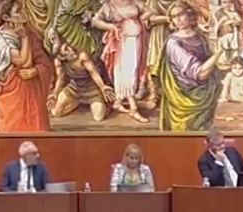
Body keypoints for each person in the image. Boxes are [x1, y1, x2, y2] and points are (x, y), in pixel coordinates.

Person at [0, 0, 54, 132]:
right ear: (6, 17)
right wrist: (24, 38)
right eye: (18, 11)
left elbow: (43, 61)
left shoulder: (30, 34)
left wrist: (35, 70)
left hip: (32, 88)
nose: (23, 13)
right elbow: (23, 62)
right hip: (11, 89)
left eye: (22, 9)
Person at [159, 1, 223, 131]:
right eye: (174, 17)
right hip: (185, 96)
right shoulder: (173, 43)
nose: (178, 20)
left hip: (205, 93)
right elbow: (200, 74)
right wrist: (220, 52)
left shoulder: (199, 36)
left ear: (189, 15)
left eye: (181, 14)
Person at [91, 0, 149, 123]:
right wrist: (111, 27)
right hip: (121, 42)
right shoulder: (108, 6)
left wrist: (139, 20)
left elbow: (149, 11)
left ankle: (118, 101)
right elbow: (95, 21)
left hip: (136, 41)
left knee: (133, 72)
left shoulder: (133, 2)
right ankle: (133, 108)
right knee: (125, 73)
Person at [49, 41, 116, 122]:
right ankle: (77, 102)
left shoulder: (82, 56)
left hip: (92, 89)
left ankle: (105, 105)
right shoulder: (59, 61)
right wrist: (55, 94)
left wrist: (102, 87)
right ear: (62, 57)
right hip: (75, 88)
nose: (71, 49)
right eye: (66, 49)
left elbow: (93, 72)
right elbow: (60, 79)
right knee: (56, 112)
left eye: (68, 46)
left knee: (98, 117)